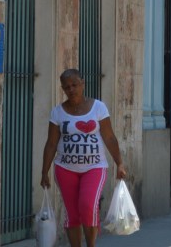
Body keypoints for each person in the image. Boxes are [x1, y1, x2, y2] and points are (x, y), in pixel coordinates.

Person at [40, 69, 126, 247]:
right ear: (63, 89)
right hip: (65, 169)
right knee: (72, 215)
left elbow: (109, 137)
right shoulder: (57, 113)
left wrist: (119, 163)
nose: (71, 90)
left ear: (83, 84)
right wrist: (44, 172)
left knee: (87, 207)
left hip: (94, 167)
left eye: (74, 85)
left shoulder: (98, 108)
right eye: (67, 87)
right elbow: (51, 144)